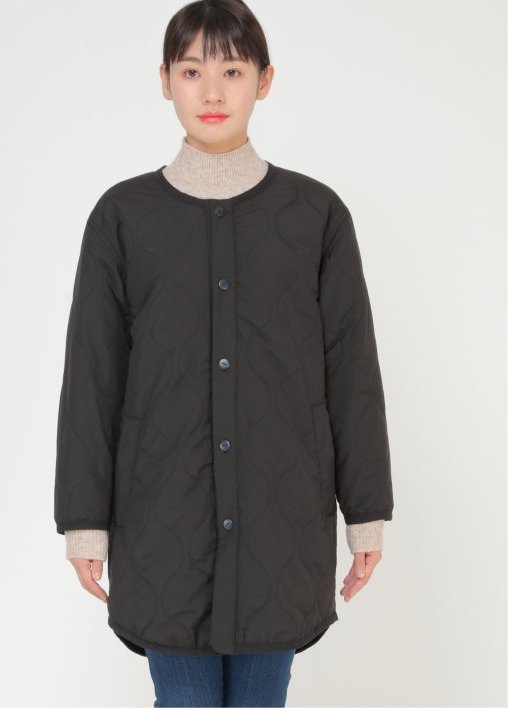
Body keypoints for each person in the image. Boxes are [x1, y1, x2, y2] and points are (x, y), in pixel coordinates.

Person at [53, 1, 394, 706]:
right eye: (191, 71)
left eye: (232, 71)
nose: (211, 91)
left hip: (282, 522)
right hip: (161, 523)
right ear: (164, 81)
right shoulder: (122, 218)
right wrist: (83, 521)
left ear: (264, 80)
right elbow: (92, 378)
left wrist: (366, 511)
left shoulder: (316, 217)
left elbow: (351, 371)